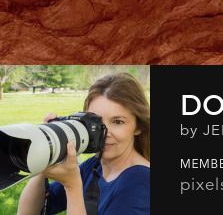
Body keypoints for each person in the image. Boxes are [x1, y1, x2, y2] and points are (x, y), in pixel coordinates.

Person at [17, 73, 150, 215]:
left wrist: (72, 186)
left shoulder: (141, 181)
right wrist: (47, 156)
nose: (104, 133)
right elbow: (29, 212)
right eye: (96, 122)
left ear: (138, 126)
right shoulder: (94, 167)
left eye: (118, 122)